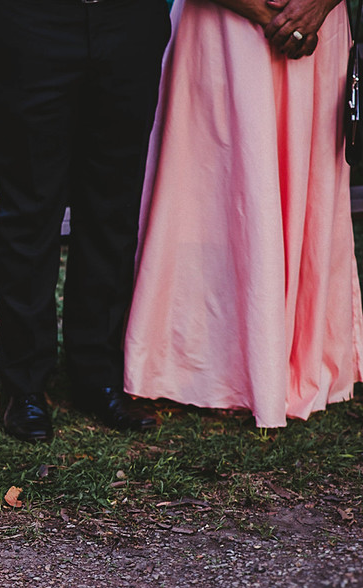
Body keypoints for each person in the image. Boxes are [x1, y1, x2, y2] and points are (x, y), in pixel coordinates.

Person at [123, 0, 363, 427]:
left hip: (319, 29)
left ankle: (298, 353)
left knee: (302, 177)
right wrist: (266, 12)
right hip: (224, 26)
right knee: (214, 188)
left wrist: (319, 6)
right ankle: (204, 361)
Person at [0, 0, 170, 443]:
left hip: (129, 20)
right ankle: (24, 384)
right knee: (29, 205)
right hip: (29, 20)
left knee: (113, 207)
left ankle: (97, 373)